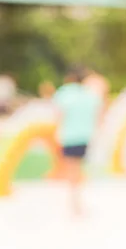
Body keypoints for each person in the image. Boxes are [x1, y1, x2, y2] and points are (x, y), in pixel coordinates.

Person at [53, 67, 103, 216]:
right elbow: (98, 114)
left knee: (71, 168)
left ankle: (74, 200)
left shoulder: (65, 92)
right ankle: (77, 200)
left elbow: (59, 114)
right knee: (78, 167)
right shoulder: (90, 94)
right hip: (85, 136)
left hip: (69, 135)